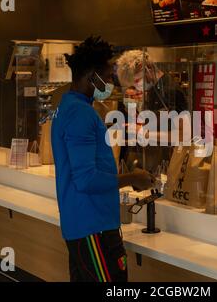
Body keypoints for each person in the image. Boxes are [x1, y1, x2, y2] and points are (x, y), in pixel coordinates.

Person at [51, 36, 154, 282]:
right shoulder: (80, 114)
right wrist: (132, 178)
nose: (110, 83)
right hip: (93, 228)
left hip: (83, 224)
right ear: (91, 77)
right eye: (107, 77)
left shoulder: (67, 106)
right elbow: (86, 179)